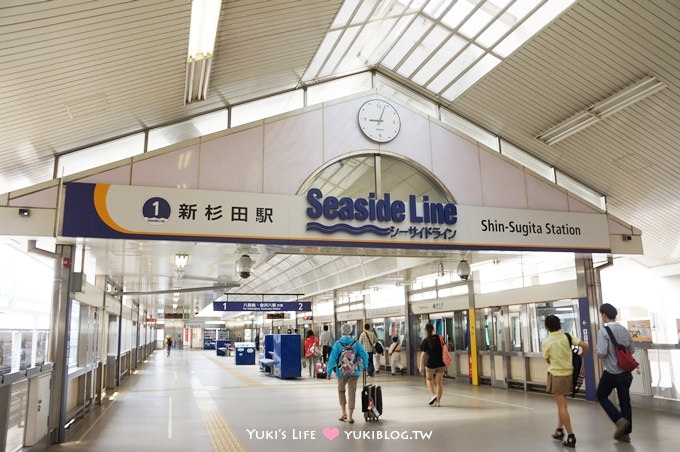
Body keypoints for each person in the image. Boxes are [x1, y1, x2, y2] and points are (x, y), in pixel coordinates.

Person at [542, 315, 589, 448]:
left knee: (562, 405)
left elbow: (547, 359)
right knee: (562, 404)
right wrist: (581, 355)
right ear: (559, 325)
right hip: (569, 374)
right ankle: (559, 430)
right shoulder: (567, 337)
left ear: (547, 327)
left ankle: (571, 436)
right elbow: (585, 346)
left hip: (556, 375)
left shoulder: (547, 342)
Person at [596, 303, 634, 443]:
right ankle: (626, 434)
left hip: (612, 371)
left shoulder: (603, 332)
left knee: (601, 395)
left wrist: (598, 351)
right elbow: (631, 349)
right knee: (625, 401)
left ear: (604, 315)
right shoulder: (624, 329)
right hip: (625, 372)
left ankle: (619, 420)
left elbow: (602, 352)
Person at [327, 323, 369, 424]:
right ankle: (350, 417)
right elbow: (365, 355)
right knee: (352, 393)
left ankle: (343, 413)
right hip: (354, 372)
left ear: (342, 331)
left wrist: (328, 372)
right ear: (351, 331)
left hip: (341, 372)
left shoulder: (337, 344)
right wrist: (365, 367)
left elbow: (332, 359)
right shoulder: (356, 343)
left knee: (341, 391)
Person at [419, 323, 445, 406]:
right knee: (439, 383)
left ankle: (433, 395)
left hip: (430, 364)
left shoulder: (425, 340)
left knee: (429, 379)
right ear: (433, 329)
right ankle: (438, 402)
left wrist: (421, 365)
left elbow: (423, 355)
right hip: (441, 363)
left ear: (426, 331)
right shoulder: (440, 338)